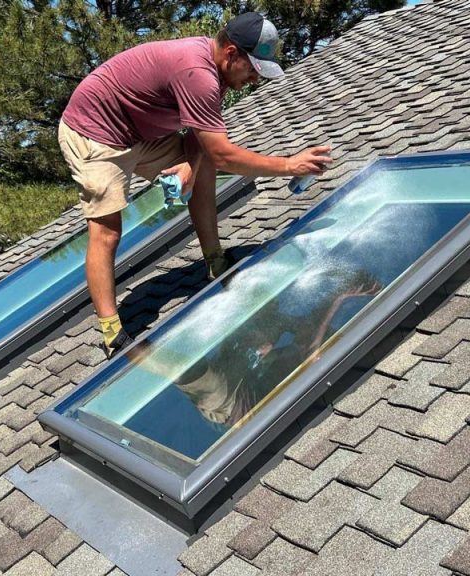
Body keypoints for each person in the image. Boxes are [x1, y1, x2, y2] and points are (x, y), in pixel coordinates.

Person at [59, 12, 333, 358]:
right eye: (252, 69)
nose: (254, 80)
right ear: (231, 53)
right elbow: (223, 156)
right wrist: (290, 164)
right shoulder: (198, 75)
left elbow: (201, 143)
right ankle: (112, 332)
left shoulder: (215, 74)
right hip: (97, 134)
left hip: (141, 133)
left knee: (202, 168)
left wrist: (190, 163)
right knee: (107, 230)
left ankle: (214, 261)